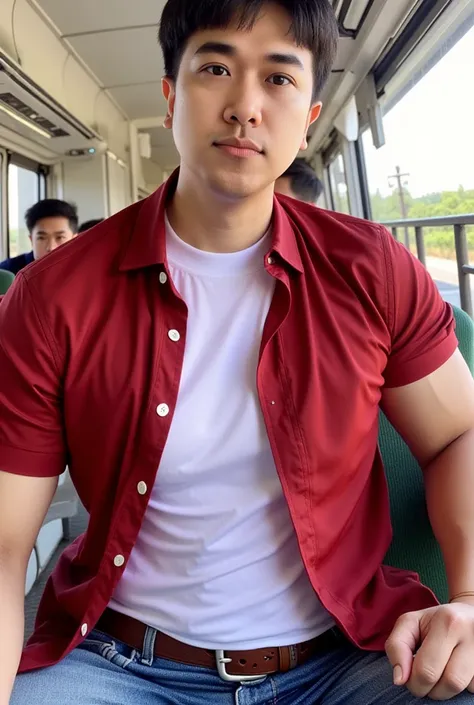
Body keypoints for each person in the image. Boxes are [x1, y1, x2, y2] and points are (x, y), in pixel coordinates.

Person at [1, 1, 474, 704]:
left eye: (279, 79)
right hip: (124, 664)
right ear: (170, 96)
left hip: (351, 656)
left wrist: (467, 595)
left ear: (311, 113)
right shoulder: (52, 295)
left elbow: (457, 432)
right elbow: (7, 548)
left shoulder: (371, 268)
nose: (245, 106)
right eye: (216, 67)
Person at [0, 199, 78, 275]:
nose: (51, 248)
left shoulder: (85, 270)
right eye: (41, 238)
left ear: (75, 240)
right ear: (31, 240)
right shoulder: (8, 272)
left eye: (60, 237)